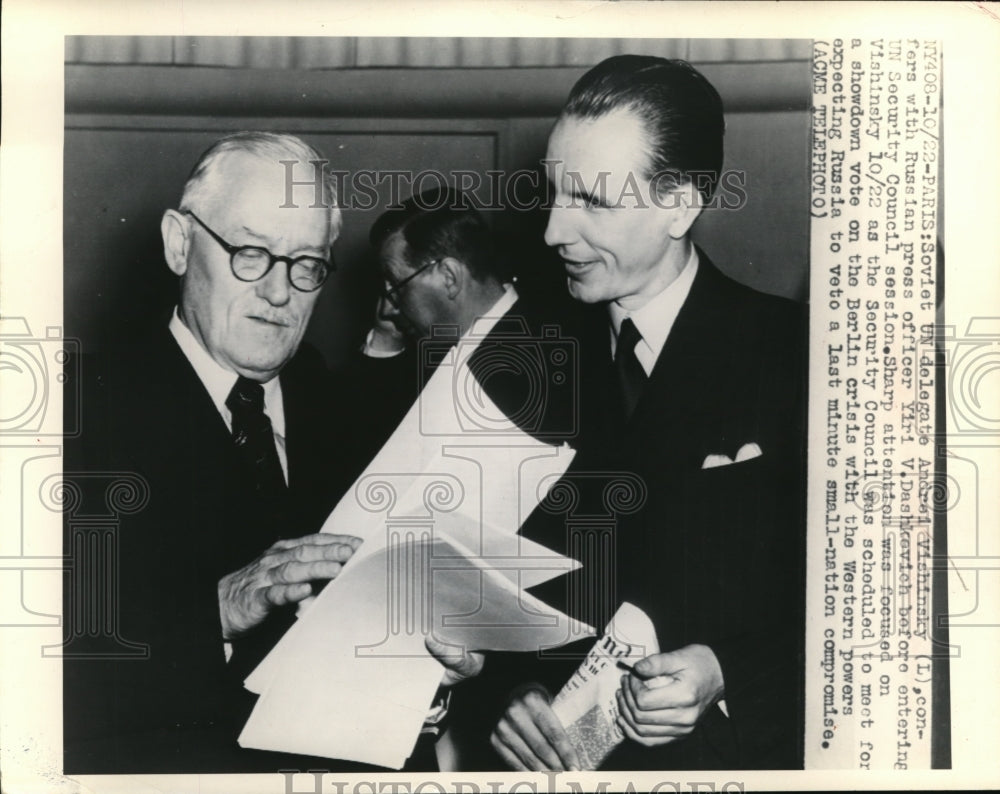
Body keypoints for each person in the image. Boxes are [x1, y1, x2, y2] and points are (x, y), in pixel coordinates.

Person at [436, 55, 807, 771]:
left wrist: (727, 671)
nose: (551, 232)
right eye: (551, 194)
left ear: (682, 203)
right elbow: (492, 588)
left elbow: (872, 608)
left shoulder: (799, 356)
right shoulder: (516, 367)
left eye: (591, 202)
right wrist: (513, 696)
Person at [62, 132, 366, 773]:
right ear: (180, 243)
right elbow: (46, 672)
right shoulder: (75, 416)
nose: (280, 293)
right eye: (250, 253)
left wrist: (429, 679)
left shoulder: (344, 406)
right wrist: (220, 613)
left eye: (306, 264)